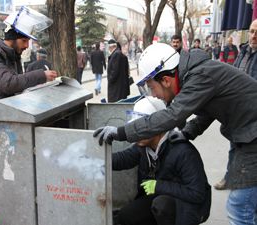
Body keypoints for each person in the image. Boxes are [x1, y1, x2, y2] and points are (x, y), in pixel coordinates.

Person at [93, 42, 257, 225]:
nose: (153, 95)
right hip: (247, 132)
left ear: (166, 80)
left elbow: (172, 116)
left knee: (240, 206)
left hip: (253, 134)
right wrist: (187, 132)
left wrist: (121, 132)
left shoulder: (200, 76)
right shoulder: (198, 75)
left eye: (151, 87)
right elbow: (209, 112)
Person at [112, 96, 211, 225]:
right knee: (126, 216)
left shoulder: (183, 151)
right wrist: (95, 159)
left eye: (142, 128)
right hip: (162, 196)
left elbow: (197, 194)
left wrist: (158, 185)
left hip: (189, 206)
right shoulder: (144, 146)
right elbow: (123, 159)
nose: (136, 133)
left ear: (158, 126)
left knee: (162, 205)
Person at [0, 7, 57, 104]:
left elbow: (17, 84)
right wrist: (41, 75)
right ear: (12, 38)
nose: (26, 46)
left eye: (28, 41)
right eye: (24, 41)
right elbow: (8, 84)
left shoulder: (12, 55)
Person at [214, 19, 257, 190]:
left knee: (247, 149)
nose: (254, 36)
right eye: (252, 31)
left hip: (253, 112)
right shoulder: (244, 51)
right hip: (237, 110)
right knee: (233, 145)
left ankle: (244, 183)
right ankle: (229, 177)